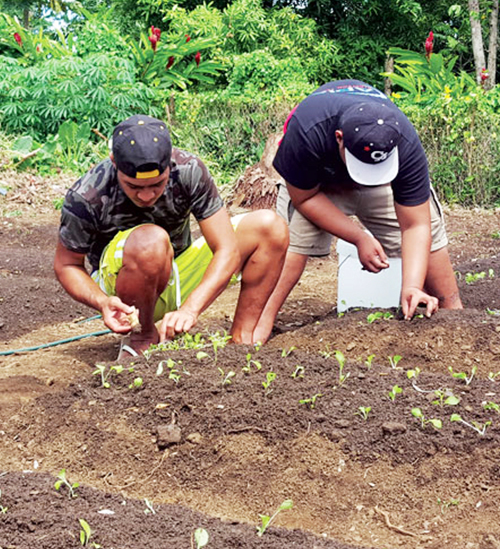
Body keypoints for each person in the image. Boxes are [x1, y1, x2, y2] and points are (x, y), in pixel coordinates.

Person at [54, 115, 288, 358]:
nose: (146, 196)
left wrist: (190, 309)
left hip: (176, 272)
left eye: (157, 184)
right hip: (120, 289)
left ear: (169, 163)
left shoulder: (189, 170)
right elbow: (66, 265)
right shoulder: (87, 194)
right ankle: (142, 336)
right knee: (151, 241)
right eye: (133, 186)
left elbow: (226, 249)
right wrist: (102, 302)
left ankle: (242, 342)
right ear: (114, 162)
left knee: (270, 227)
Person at [255, 79, 463, 338]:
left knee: (431, 237)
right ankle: (258, 324)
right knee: (289, 243)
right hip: (319, 185)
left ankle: (455, 319)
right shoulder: (308, 129)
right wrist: (359, 237)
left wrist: (411, 285)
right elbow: (304, 199)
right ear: (339, 139)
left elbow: (416, 225)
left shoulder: (405, 142)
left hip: (383, 188)